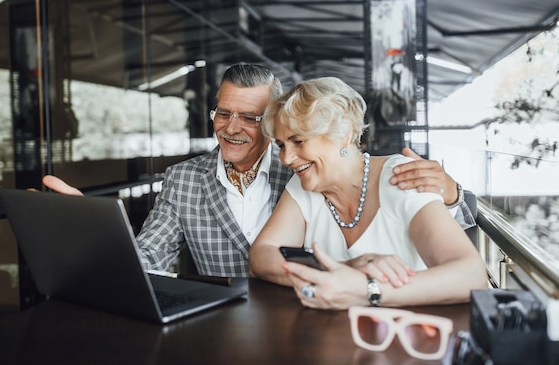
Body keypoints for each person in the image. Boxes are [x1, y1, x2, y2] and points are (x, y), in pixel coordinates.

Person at [42, 64, 473, 278]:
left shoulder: (307, 172)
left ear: (274, 121)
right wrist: (98, 234)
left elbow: (383, 190)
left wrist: (454, 193)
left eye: (249, 118)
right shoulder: (184, 180)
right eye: (223, 113)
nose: (231, 128)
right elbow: (148, 257)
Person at [248, 77, 487, 309]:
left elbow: (471, 276)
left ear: (343, 136)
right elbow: (261, 257)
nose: (287, 158)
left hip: (410, 338)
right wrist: (345, 269)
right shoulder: (302, 185)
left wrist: (367, 289)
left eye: (298, 141)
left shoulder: (401, 176)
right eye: (281, 145)